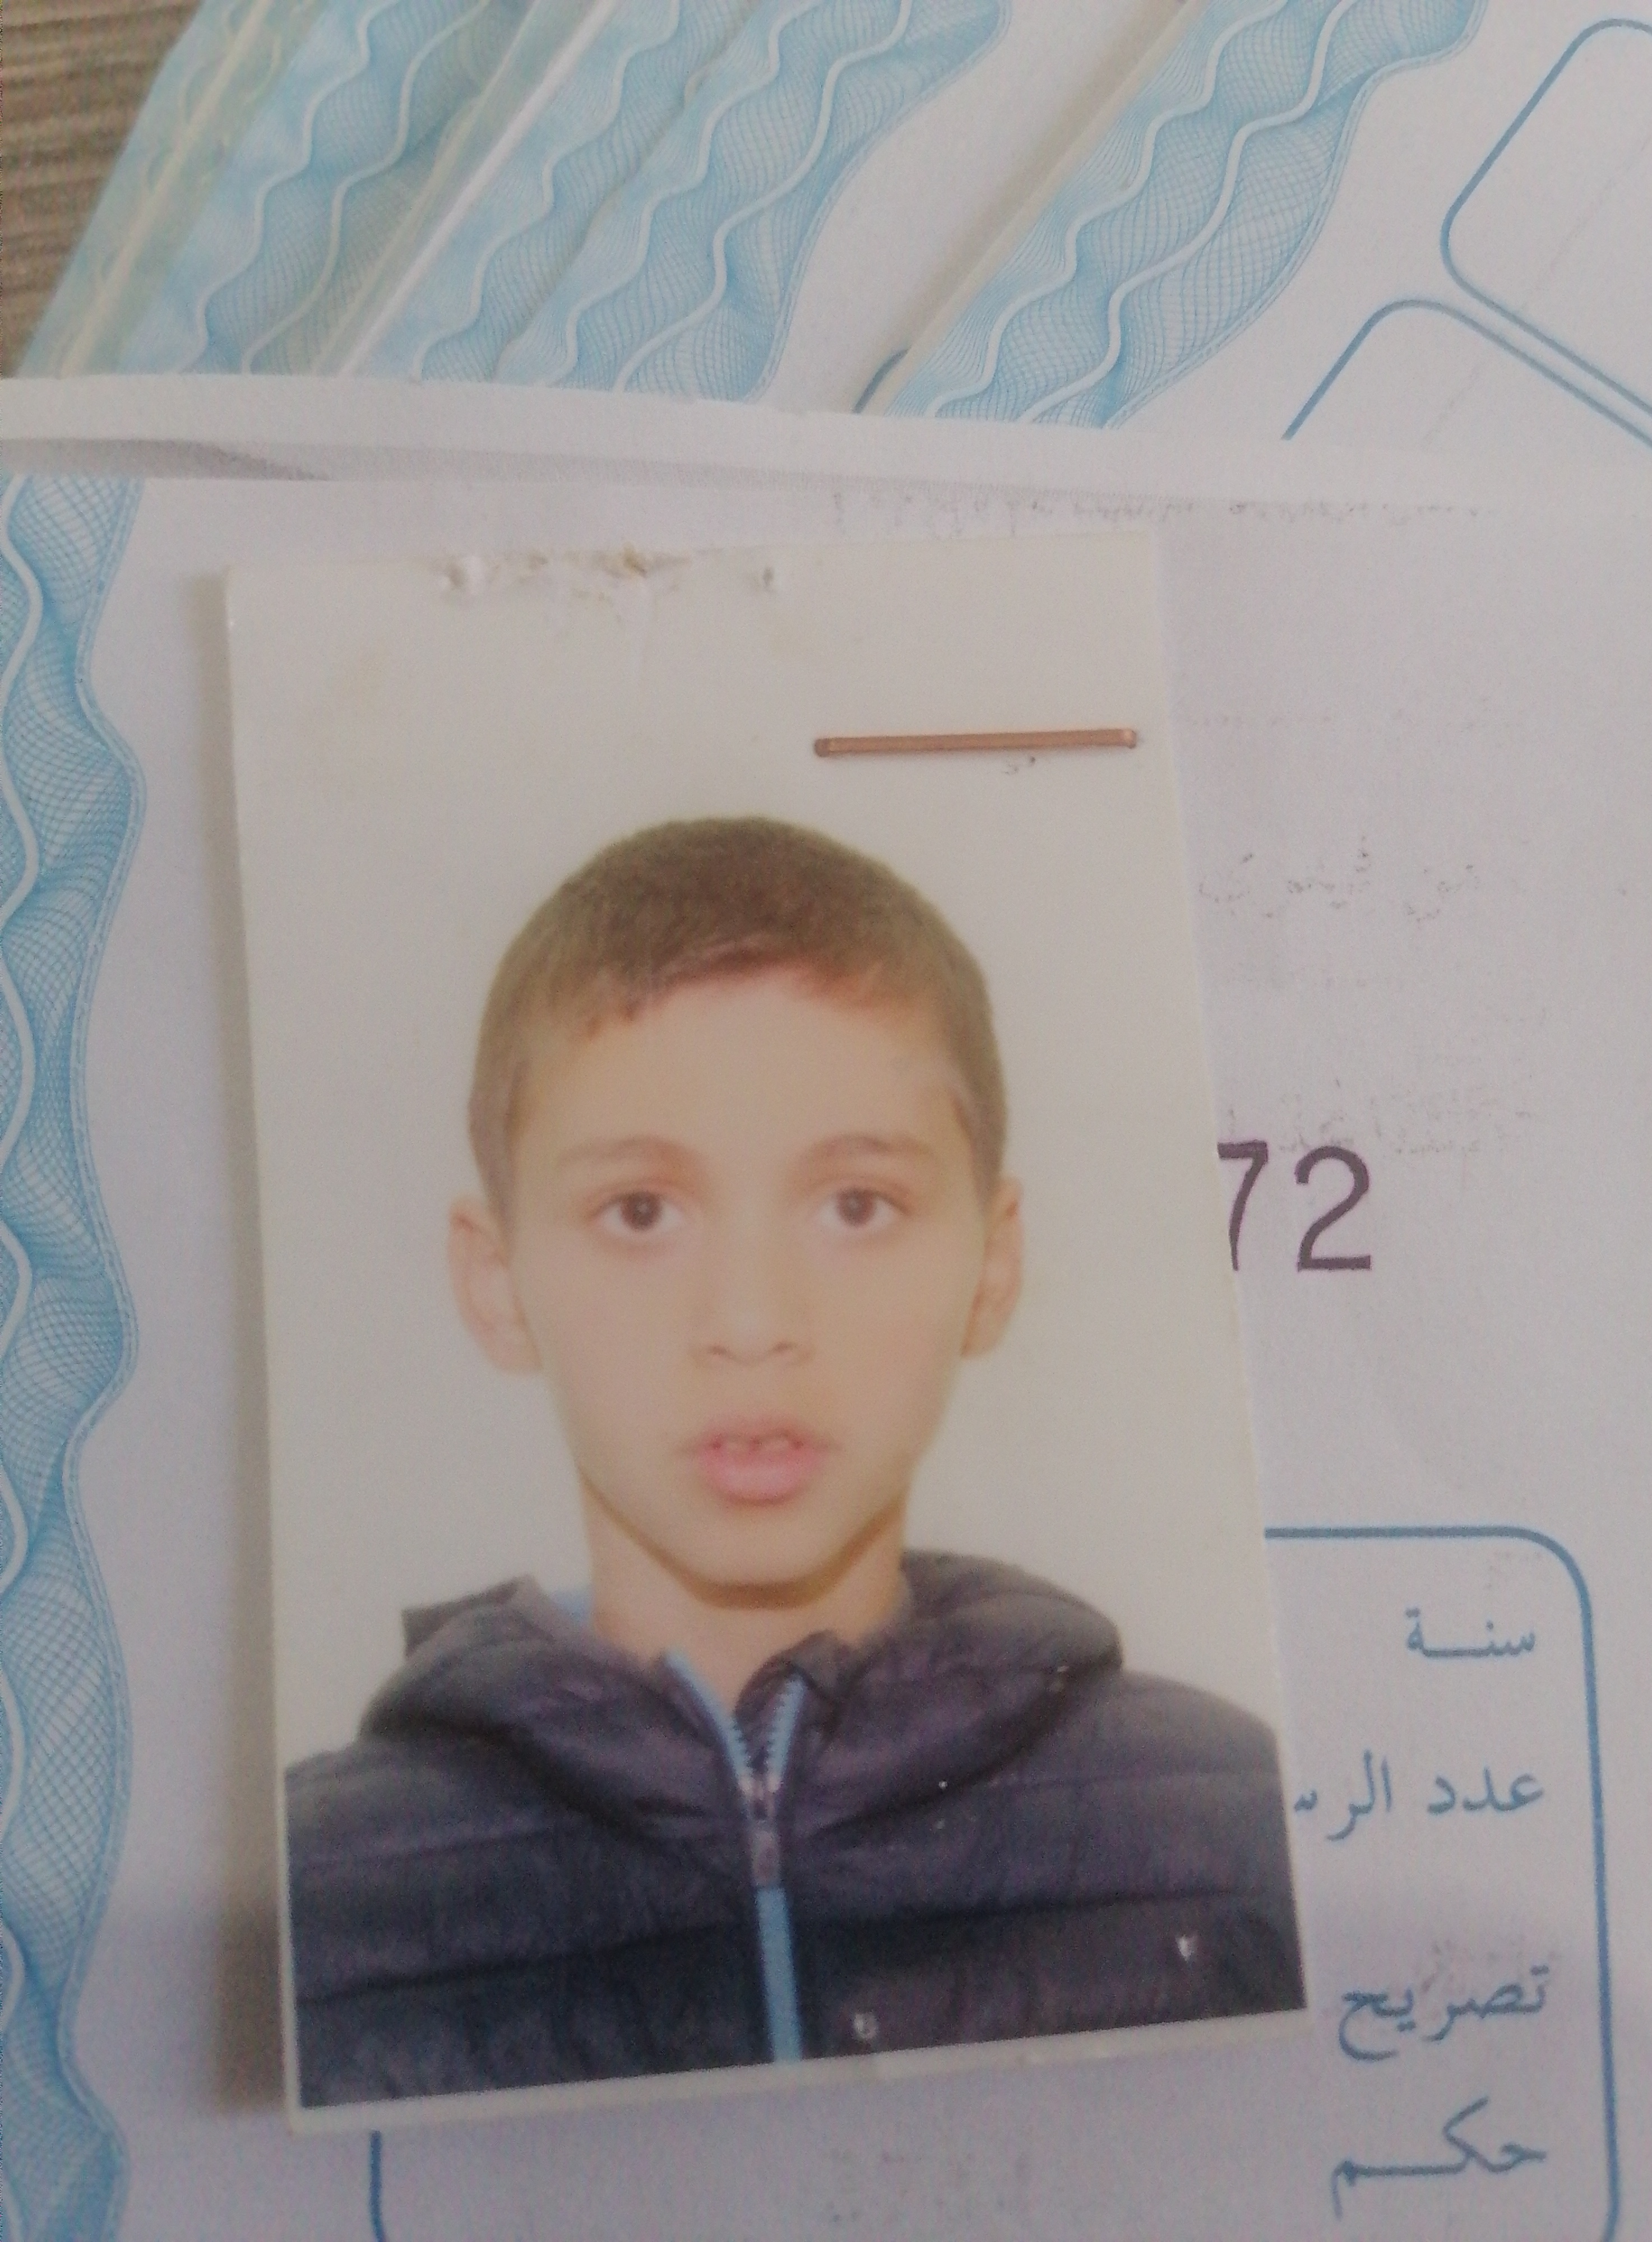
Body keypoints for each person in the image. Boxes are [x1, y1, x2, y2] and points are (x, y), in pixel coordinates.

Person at [284, 817, 1302, 2108]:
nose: (754, 1320)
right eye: (641, 1211)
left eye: (855, 1205)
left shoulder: (1242, 1826)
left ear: (992, 1264)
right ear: (496, 1282)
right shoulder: (302, 1894)